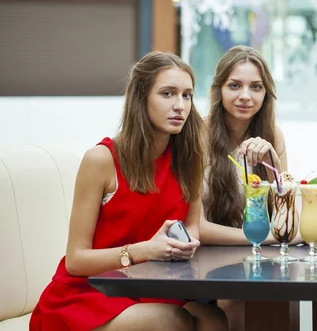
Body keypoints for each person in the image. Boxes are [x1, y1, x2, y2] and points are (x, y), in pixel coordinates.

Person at [30, 52, 227, 331]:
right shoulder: (101, 160)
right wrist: (145, 250)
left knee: (213, 318)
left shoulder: (188, 158)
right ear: (141, 98)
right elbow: (75, 260)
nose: (180, 105)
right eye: (168, 94)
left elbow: (193, 225)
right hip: (88, 295)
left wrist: (186, 243)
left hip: (150, 289)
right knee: (173, 322)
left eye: (187, 95)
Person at [198, 45, 295, 331]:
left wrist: (271, 163)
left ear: (266, 94)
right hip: (205, 259)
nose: (245, 96)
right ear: (219, 90)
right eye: (234, 85)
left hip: (257, 258)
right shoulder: (198, 135)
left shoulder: (273, 135)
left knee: (286, 301)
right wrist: (260, 239)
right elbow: (196, 227)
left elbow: (285, 218)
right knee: (237, 298)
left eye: (256, 87)